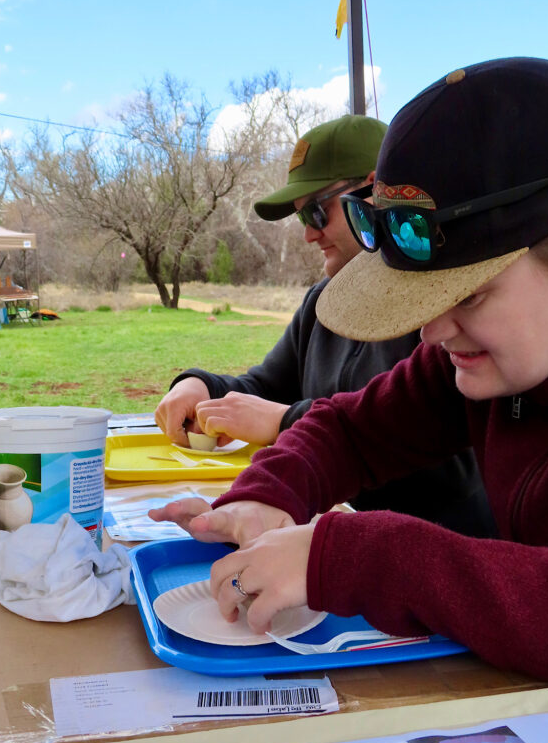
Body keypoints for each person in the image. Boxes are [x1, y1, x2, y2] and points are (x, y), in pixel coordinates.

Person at [150, 57, 548, 684]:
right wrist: (265, 495)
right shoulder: (474, 371)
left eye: (466, 295)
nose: (431, 332)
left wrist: (364, 556)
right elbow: (349, 429)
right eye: (420, 302)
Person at [154, 114, 493, 535]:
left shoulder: (438, 307)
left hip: (430, 548)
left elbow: (453, 467)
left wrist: (284, 421)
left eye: (317, 212)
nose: (309, 236)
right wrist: (198, 386)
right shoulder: (321, 304)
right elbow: (271, 390)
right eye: (302, 219)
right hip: (331, 534)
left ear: (373, 194)